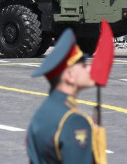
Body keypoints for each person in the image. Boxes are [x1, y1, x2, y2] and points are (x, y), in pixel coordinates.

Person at [27, 29, 99, 164]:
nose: (89, 69)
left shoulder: (42, 113)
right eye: (83, 65)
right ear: (69, 76)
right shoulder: (74, 122)